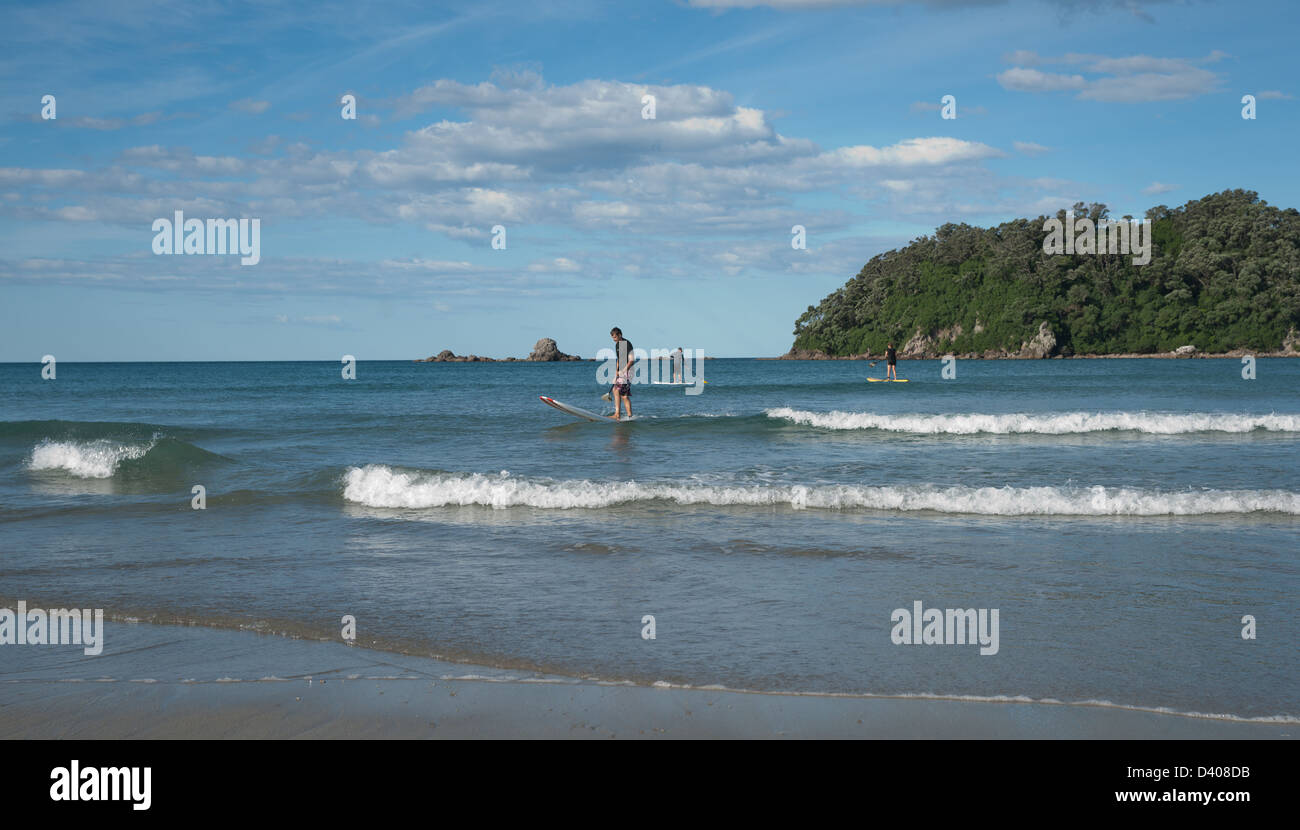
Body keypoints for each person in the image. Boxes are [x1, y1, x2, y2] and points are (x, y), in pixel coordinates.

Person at [610, 327, 634, 420]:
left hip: (628, 371)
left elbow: (631, 360)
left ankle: (622, 415)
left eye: (615, 337)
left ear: (620, 335)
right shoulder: (617, 345)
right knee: (619, 393)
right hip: (621, 372)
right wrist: (616, 373)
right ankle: (624, 416)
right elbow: (619, 360)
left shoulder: (627, 344)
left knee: (620, 392)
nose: (614, 340)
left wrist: (624, 371)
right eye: (612, 338)